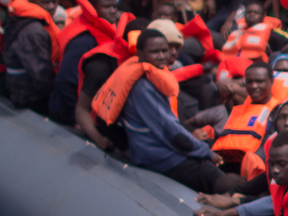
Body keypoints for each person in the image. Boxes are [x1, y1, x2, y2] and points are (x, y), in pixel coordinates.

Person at [91, 28, 248, 194]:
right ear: (140, 54)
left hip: (151, 149)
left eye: (164, 51)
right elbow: (172, 133)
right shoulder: (143, 88)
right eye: (155, 52)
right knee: (216, 176)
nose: (162, 56)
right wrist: (207, 153)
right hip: (160, 156)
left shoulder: (147, 75)